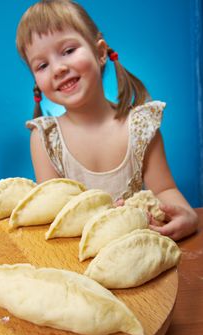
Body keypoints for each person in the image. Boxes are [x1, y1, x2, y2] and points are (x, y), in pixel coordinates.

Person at [16, 0, 198, 241]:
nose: (58, 68)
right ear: (36, 81)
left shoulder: (140, 127)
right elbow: (55, 217)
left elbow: (165, 190)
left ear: (100, 52)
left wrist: (188, 216)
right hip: (77, 259)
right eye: (42, 65)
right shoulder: (44, 139)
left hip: (135, 249)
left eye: (68, 51)